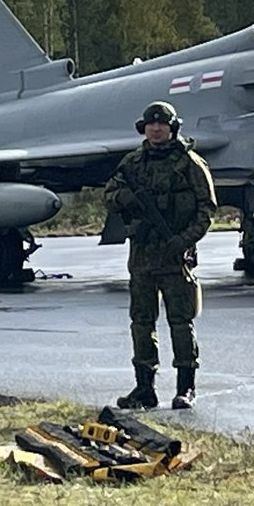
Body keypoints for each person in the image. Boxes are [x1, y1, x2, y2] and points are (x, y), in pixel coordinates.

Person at [104, 101, 217, 410]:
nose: (156, 129)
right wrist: (127, 198)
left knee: (181, 322)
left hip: (175, 256)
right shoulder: (132, 163)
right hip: (142, 257)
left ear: (172, 128)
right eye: (151, 125)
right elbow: (109, 195)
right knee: (141, 322)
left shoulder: (189, 163)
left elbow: (207, 209)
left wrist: (184, 240)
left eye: (162, 124)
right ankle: (144, 389)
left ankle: (186, 388)